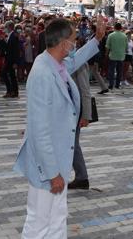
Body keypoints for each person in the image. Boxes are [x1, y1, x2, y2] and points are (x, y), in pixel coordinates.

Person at [14, 16, 105, 238]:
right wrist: (52, 173)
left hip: (59, 160)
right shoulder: (43, 73)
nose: (76, 44)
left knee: (57, 218)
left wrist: (97, 39)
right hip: (47, 166)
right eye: (74, 40)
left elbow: (77, 59)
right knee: (39, 221)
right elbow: (39, 130)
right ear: (63, 43)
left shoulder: (57, 64)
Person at [69, 36, 93, 191]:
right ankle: (80, 176)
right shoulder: (64, 61)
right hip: (67, 111)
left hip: (76, 111)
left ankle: (82, 177)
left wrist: (86, 115)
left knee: (72, 144)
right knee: (70, 143)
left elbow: (85, 90)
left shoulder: (78, 62)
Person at [105, 22, 127, 90]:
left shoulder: (111, 35)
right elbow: (126, 47)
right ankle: (117, 84)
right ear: (121, 28)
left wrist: (106, 54)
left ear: (114, 28)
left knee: (111, 70)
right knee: (119, 71)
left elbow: (107, 46)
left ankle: (111, 84)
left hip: (113, 55)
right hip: (121, 55)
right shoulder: (124, 36)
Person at [3, 21, 20, 98]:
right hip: (8, 59)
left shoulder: (14, 36)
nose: (5, 29)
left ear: (9, 27)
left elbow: (16, 50)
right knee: (10, 75)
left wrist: (16, 62)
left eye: (5, 27)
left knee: (7, 74)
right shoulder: (9, 36)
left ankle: (12, 91)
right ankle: (11, 91)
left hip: (12, 60)